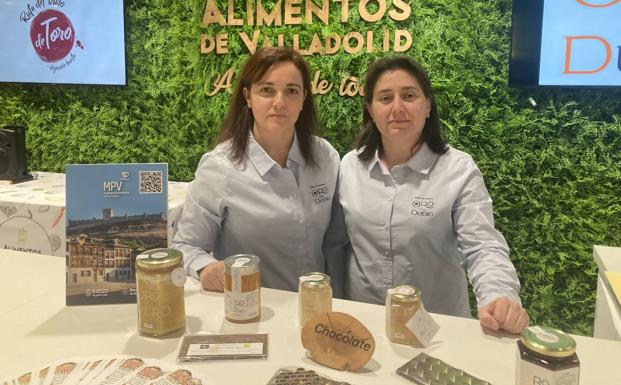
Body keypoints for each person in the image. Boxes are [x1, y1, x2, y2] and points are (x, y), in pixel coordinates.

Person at [329, 56, 529, 333]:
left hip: (437, 328)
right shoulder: (350, 166)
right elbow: (337, 245)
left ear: (427, 105)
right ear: (371, 110)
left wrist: (498, 294)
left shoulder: (458, 170)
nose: (397, 107)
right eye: (385, 98)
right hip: (365, 323)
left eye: (409, 95)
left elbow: (482, 246)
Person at [172, 47, 340, 293]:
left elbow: (335, 243)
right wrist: (205, 268)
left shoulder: (325, 157)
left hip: (317, 307)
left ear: (304, 98)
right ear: (247, 97)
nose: (279, 102)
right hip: (253, 311)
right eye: (266, 90)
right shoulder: (220, 167)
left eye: (291, 91)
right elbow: (186, 245)